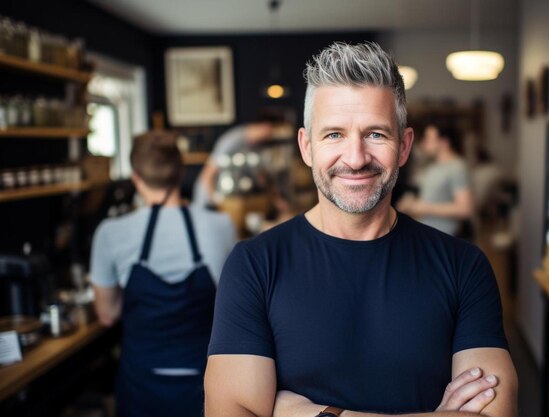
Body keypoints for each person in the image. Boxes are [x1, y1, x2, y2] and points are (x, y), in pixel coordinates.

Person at [204, 42, 517, 416]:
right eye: (333, 134)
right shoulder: (254, 265)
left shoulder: (464, 266)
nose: (355, 158)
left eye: (376, 135)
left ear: (404, 146)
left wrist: (315, 414)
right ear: (307, 147)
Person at [90, 130, 236, 417]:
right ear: (181, 172)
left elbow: (107, 314)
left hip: (142, 383)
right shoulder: (221, 225)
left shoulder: (110, 233)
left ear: (135, 177)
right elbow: (232, 308)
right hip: (205, 382)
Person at [397, 124, 474, 237]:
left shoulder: (457, 167)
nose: (424, 143)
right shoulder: (432, 166)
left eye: (428, 139)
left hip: (445, 236)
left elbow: (465, 208)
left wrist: (422, 207)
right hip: (425, 232)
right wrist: (410, 202)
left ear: (444, 142)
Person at [192, 114, 283, 206]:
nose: (271, 136)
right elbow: (207, 175)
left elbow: (260, 177)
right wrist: (216, 200)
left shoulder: (256, 146)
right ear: (265, 126)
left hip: (229, 200)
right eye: (271, 131)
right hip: (209, 199)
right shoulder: (232, 141)